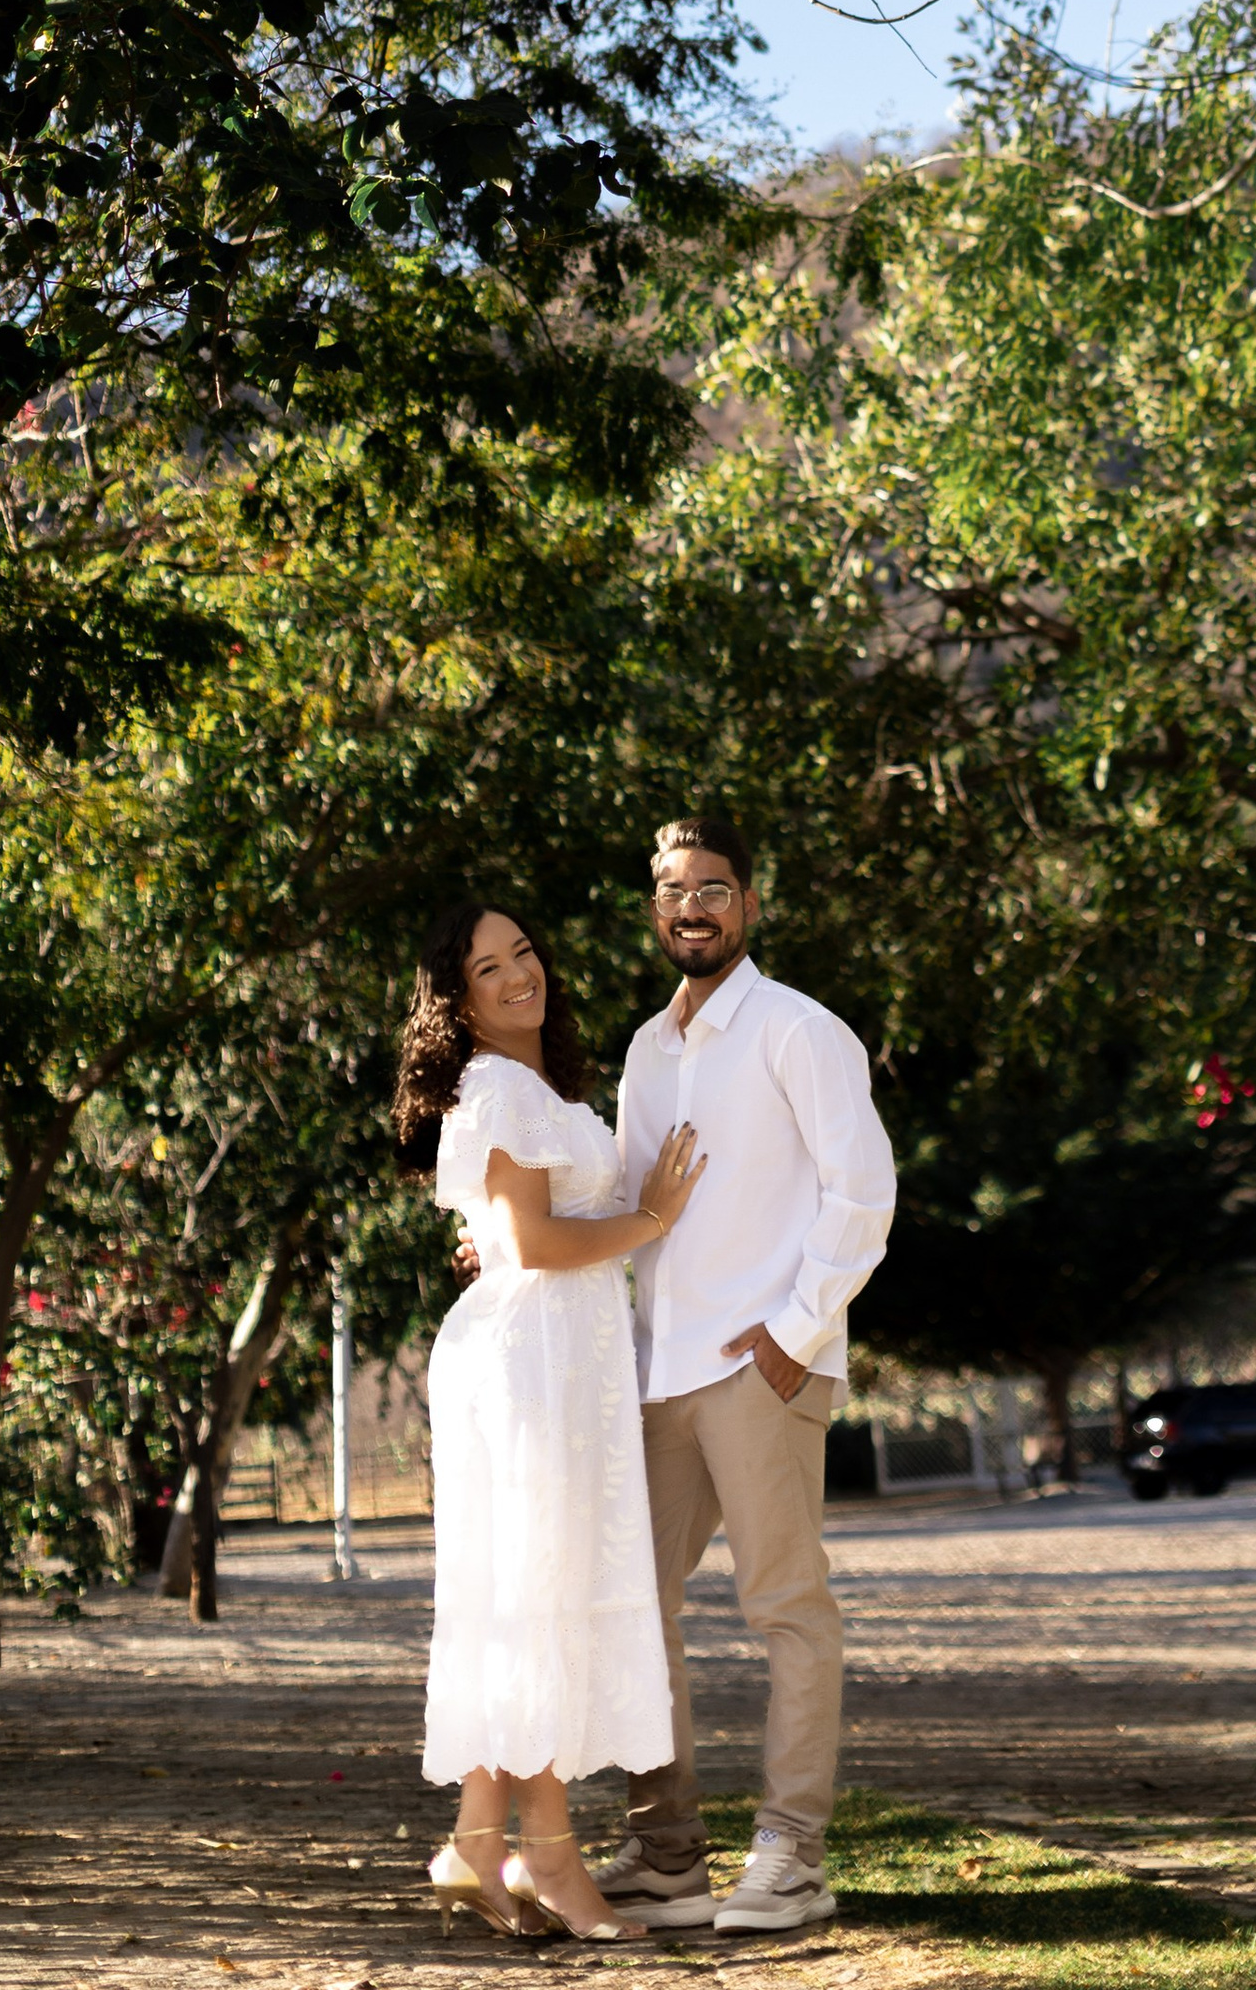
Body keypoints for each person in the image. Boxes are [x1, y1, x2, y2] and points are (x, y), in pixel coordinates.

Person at [595, 817, 897, 1937]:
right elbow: (630, 1207)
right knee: (632, 1611)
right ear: (654, 910)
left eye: (714, 888)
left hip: (761, 1367)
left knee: (785, 1609)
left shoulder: (798, 1031)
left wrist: (792, 1333)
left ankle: (793, 1853)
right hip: (658, 1373)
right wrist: (507, 1232)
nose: (693, 906)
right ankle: (669, 1853)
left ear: (749, 905)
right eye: (673, 888)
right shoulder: (644, 1050)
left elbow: (862, 1195)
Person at [392, 898, 707, 1943]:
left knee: (534, 1601)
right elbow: (531, 1246)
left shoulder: (527, 1087)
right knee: (536, 1602)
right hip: (531, 1365)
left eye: (523, 950)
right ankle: (551, 1859)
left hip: (553, 1358)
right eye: (488, 967)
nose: (519, 973)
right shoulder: (499, 1089)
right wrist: (653, 1215)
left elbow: (510, 1233)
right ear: (459, 1000)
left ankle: (481, 1844)